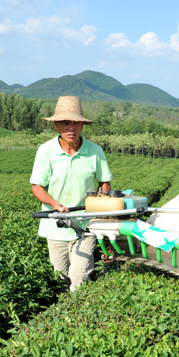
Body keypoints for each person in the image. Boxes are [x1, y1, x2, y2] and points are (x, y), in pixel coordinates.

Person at [30, 95, 112, 292]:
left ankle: (80, 315)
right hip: (55, 226)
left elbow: (105, 183)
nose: (71, 128)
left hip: (85, 225)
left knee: (79, 278)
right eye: (65, 123)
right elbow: (37, 187)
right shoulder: (46, 151)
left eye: (76, 123)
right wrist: (54, 204)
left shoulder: (95, 151)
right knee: (61, 278)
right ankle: (65, 315)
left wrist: (100, 200)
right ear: (57, 126)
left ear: (82, 126)